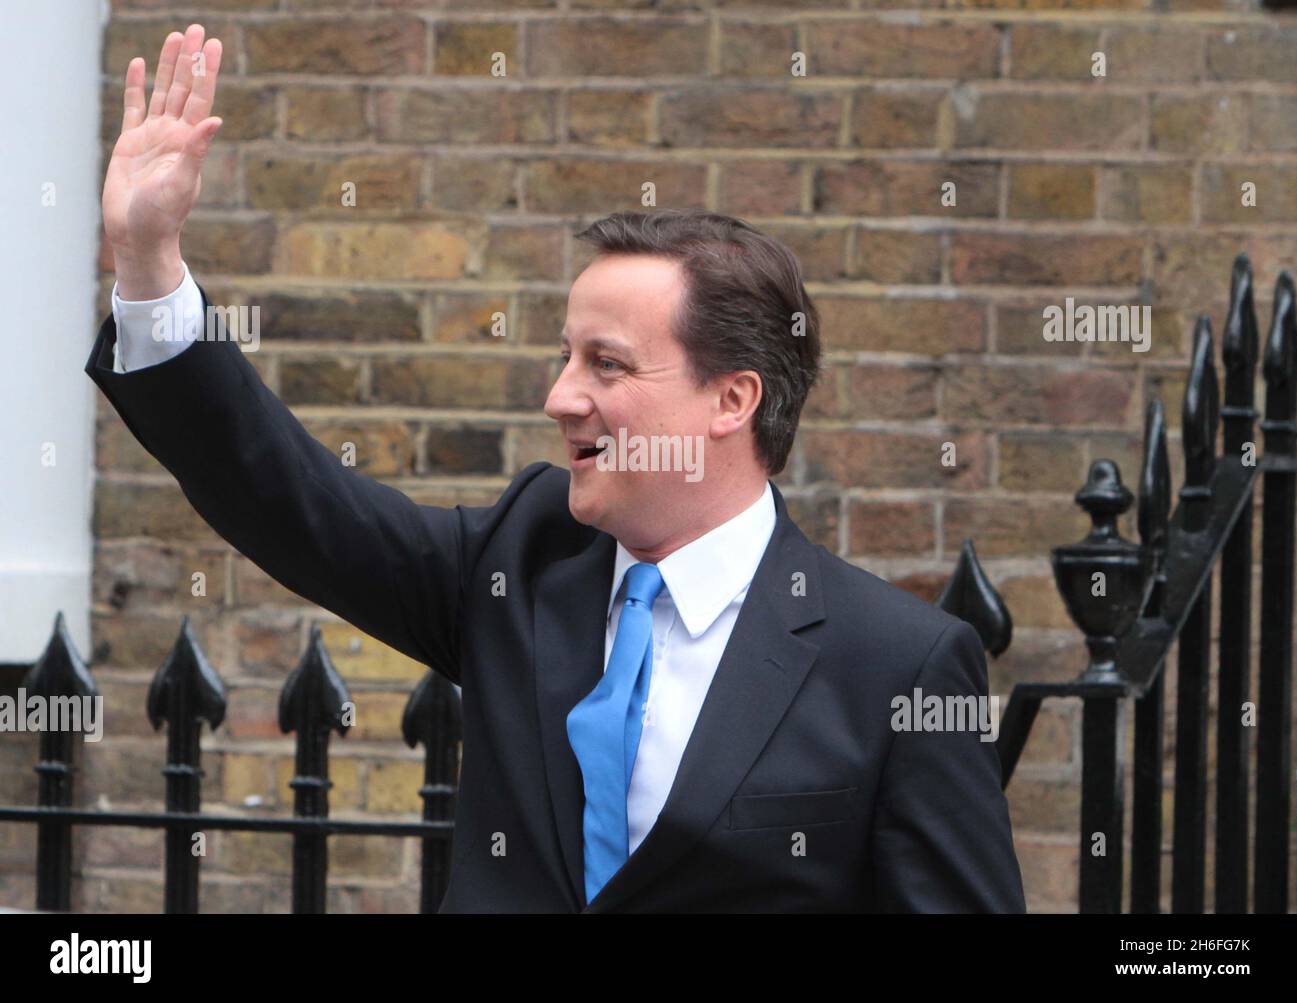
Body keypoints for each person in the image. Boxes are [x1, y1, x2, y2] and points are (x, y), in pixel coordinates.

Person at [88, 24, 1026, 913]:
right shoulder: (518, 562)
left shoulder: (895, 662)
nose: (561, 397)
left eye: (607, 364)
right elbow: (290, 500)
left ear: (731, 400)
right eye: (567, 357)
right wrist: (148, 261)